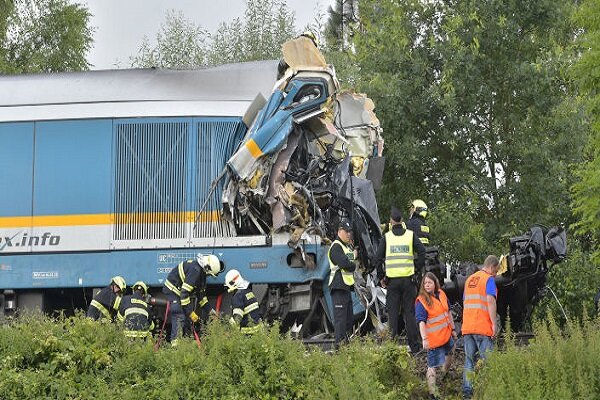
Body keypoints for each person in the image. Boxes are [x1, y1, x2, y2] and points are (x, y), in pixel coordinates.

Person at [375, 206, 426, 353]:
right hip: (408, 281)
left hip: (392, 282)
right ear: (402, 220)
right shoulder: (410, 235)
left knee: (392, 315)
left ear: (391, 221)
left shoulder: (387, 237)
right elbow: (422, 253)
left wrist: (381, 277)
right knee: (409, 313)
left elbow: (377, 259)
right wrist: (415, 267)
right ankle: (415, 347)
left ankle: (392, 348)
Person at [162, 254, 223, 345]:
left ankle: (186, 343)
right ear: (207, 268)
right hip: (172, 291)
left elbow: (201, 297)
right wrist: (190, 313)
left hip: (180, 293)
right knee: (179, 314)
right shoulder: (195, 271)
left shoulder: (201, 274)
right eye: (210, 274)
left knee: (187, 317)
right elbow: (184, 294)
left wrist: (211, 312)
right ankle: (175, 347)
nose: (208, 276)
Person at [462, 255, 500, 399]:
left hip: (468, 327)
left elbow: (465, 302)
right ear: (491, 267)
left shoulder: (469, 280)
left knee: (469, 361)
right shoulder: (488, 279)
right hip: (482, 327)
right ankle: (491, 391)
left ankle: (467, 392)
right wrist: (494, 324)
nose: (495, 275)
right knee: (489, 361)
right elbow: (490, 301)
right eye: (495, 271)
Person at [416, 272, 458, 400]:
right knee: (432, 366)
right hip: (433, 340)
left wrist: (453, 329)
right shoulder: (421, 301)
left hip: (446, 335)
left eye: (429, 282)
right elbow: (421, 322)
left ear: (435, 283)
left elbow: (448, 312)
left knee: (451, 352)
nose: (427, 285)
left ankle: (444, 374)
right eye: (425, 283)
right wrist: (425, 339)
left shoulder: (441, 294)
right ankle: (433, 394)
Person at [328, 218, 357, 347]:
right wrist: (353, 264)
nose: (349, 235)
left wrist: (353, 259)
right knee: (340, 321)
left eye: (350, 232)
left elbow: (350, 259)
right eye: (347, 232)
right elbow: (346, 264)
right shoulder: (336, 246)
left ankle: (346, 346)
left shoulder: (345, 247)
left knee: (348, 320)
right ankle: (339, 348)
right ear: (340, 231)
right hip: (338, 286)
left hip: (346, 287)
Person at [224, 269, 262, 334]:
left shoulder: (237, 296)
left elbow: (237, 317)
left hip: (247, 333)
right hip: (258, 331)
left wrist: (228, 330)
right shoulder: (248, 291)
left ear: (232, 283)